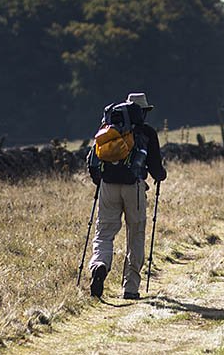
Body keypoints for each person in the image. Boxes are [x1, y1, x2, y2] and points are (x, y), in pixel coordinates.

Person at [87, 92, 167, 300]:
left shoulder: (109, 129)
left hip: (107, 186)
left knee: (104, 232)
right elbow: (157, 169)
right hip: (134, 186)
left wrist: (101, 181)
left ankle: (99, 264)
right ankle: (130, 288)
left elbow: (92, 161)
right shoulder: (147, 133)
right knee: (135, 234)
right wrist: (160, 176)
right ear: (143, 112)